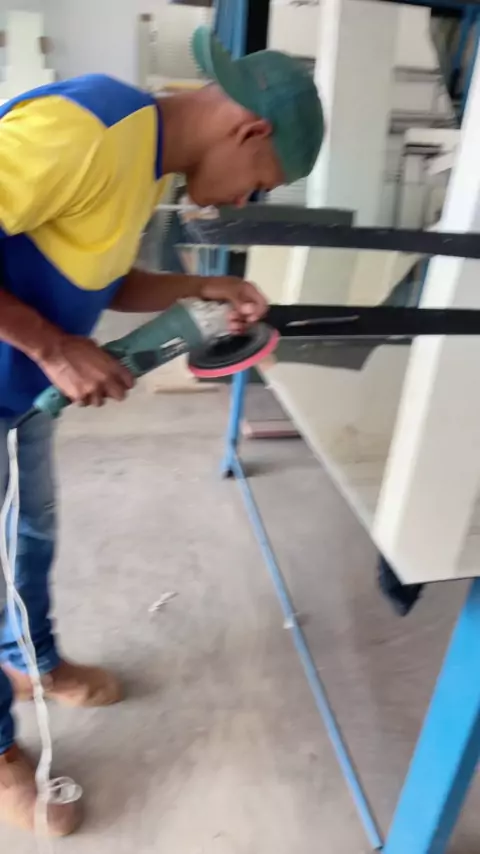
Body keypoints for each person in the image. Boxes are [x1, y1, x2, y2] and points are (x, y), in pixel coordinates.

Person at [0, 26, 323, 837]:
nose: (243, 201)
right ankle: (1, 758)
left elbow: (100, 274)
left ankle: (30, 661)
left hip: (14, 392)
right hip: (23, 365)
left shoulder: (141, 159)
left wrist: (200, 288)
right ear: (248, 130)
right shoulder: (86, 128)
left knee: (27, 533)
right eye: (261, 183)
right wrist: (53, 347)